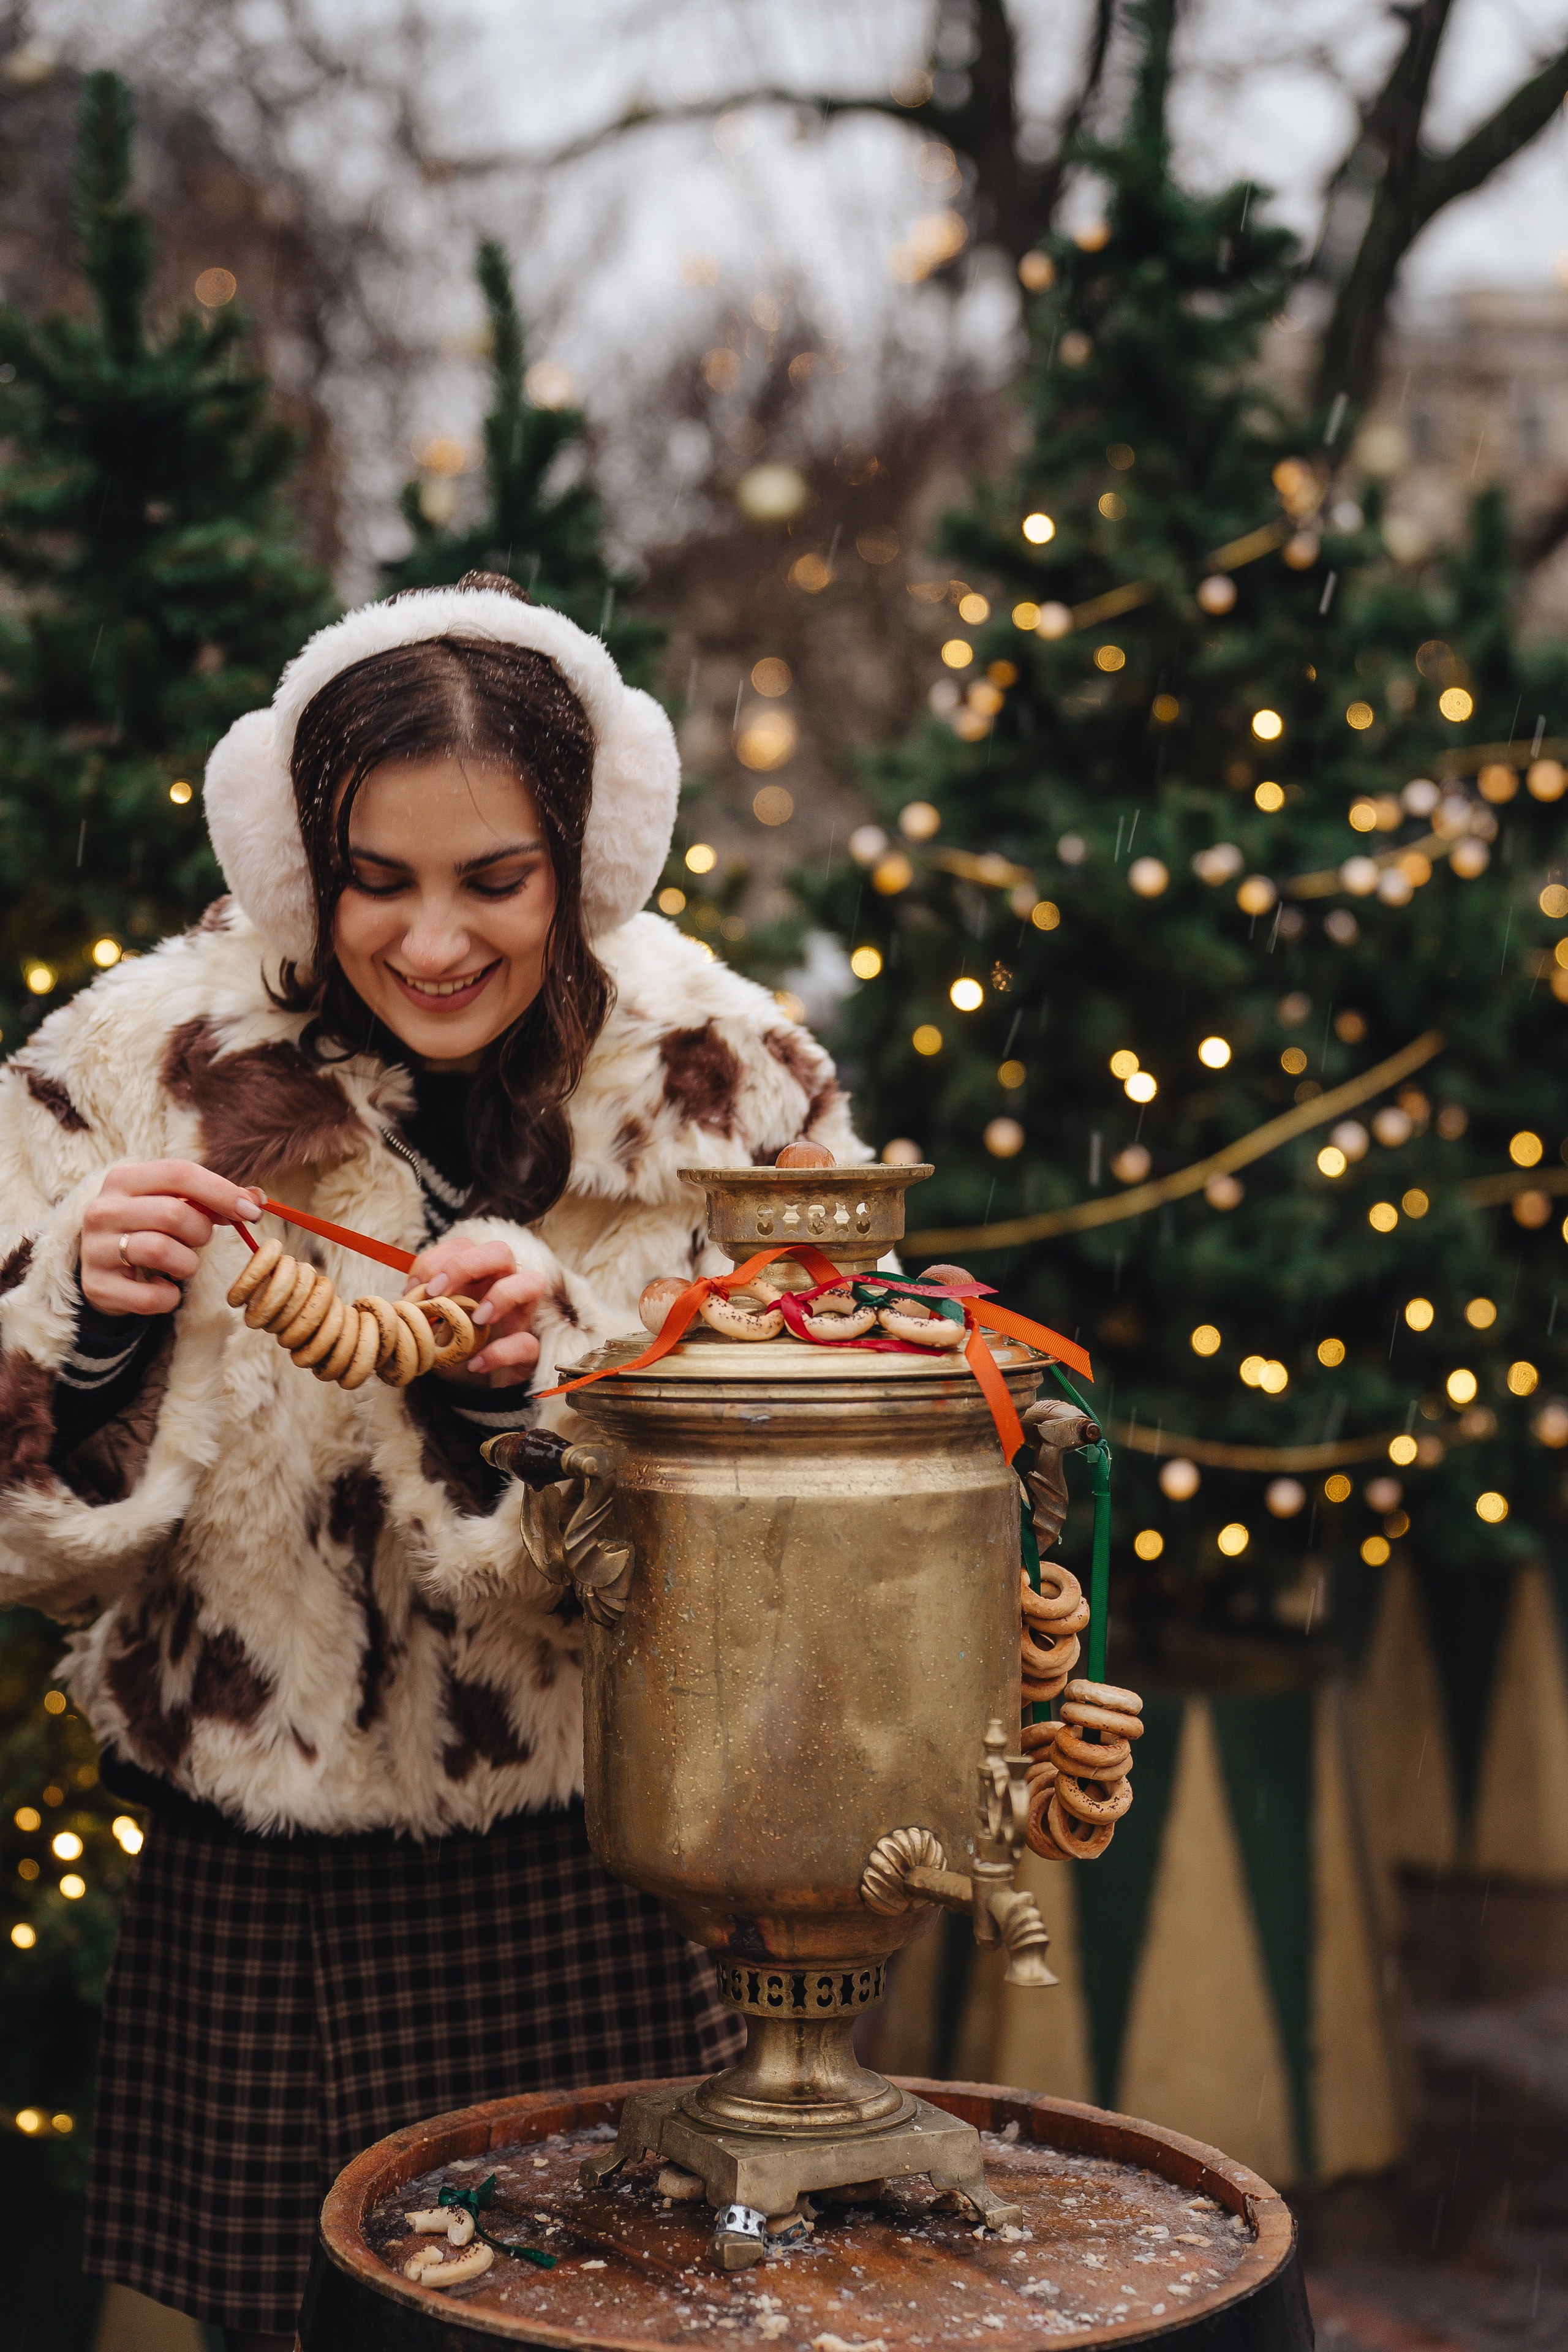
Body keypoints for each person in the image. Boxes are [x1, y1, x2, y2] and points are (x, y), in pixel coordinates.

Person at [0, 574, 862, 2349]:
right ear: (298, 862)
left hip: (606, 1865)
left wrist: (552, 1393)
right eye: (376, 879)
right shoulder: (130, 1071)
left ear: (586, 860)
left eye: (495, 879)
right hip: (262, 1880)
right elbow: (25, 1542)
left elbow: (810, 1528)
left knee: (628, 2318)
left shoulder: (737, 1096)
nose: (435, 939)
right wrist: (83, 1331)